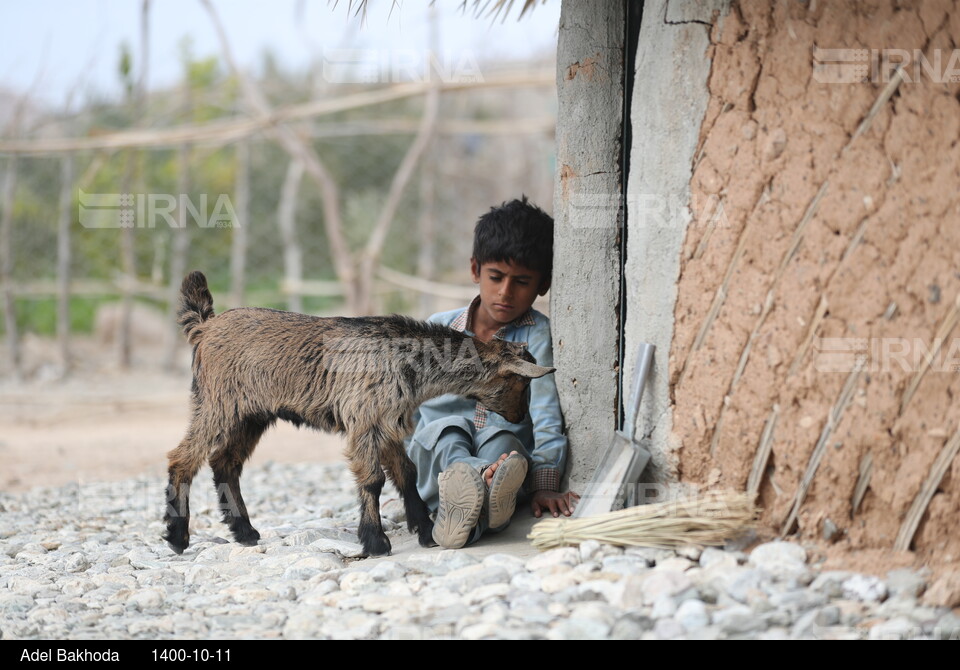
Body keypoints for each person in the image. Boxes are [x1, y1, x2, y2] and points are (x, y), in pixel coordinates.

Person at [405, 196, 579, 549]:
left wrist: (545, 483)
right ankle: (485, 500)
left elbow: (546, 414)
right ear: (475, 271)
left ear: (542, 284)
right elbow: (408, 414)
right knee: (445, 430)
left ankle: (470, 511)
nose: (505, 292)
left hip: (501, 454)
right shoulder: (439, 331)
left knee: (505, 443)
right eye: (496, 277)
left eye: (522, 281)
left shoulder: (535, 334)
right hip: (441, 457)